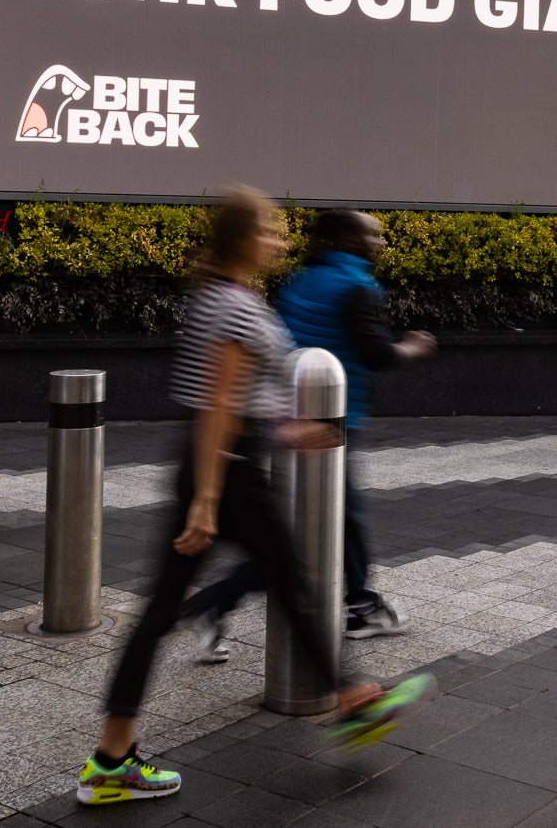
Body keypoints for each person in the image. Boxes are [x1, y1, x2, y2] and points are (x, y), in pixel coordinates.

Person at [77, 187, 379, 806]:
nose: (279, 240)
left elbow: (231, 400)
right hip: (228, 472)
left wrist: (291, 432)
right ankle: (350, 696)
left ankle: (111, 759)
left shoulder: (214, 297)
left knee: (168, 609)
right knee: (291, 579)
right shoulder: (236, 308)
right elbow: (219, 403)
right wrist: (208, 502)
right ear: (244, 239)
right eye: (269, 230)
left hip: (217, 463)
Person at [276, 210, 436, 639]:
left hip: (292, 412)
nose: (378, 241)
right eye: (371, 234)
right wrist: (414, 347)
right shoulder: (356, 287)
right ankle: (359, 605)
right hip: (335, 418)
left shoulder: (299, 280)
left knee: (305, 516)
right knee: (344, 514)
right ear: (348, 238)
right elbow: (376, 354)